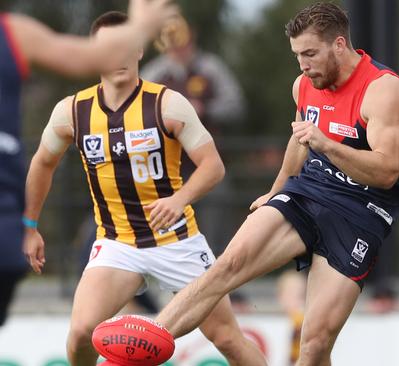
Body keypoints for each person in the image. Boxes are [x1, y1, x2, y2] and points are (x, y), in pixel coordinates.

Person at [146, 3, 399, 365]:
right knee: (228, 264)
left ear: (338, 44)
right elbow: (298, 139)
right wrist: (277, 189)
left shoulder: (382, 89)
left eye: (310, 53)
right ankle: (147, 341)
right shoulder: (304, 84)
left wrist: (326, 144)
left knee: (315, 344)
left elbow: (386, 172)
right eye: (297, 55)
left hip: (361, 212)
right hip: (308, 192)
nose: (302, 64)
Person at [21, 11, 266, 366]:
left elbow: (213, 166)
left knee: (227, 337)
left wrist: (179, 199)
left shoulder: (167, 103)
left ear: (139, 50)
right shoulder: (72, 112)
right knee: (79, 335)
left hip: (178, 243)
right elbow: (42, 163)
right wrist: (29, 225)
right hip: (117, 244)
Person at [0, 0, 176, 327]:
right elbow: (94, 57)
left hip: (168, 235)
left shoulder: (13, 33)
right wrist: (141, 25)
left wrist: (28, 226)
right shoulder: (16, 34)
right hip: (22, 231)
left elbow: (98, 57)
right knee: (82, 329)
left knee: (222, 332)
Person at [141, 14, 245, 260]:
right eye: (172, 41)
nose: (178, 48)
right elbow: (137, 109)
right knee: (167, 231)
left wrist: (205, 109)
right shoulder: (154, 72)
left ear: (192, 37)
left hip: (208, 163)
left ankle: (223, 280)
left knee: (216, 227)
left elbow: (236, 104)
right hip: (166, 169)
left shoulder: (211, 68)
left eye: (182, 40)